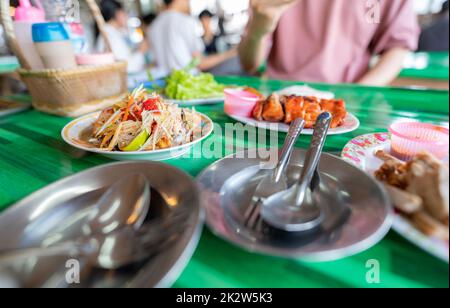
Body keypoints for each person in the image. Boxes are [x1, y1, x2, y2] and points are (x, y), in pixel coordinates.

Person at [239, 0, 421, 86]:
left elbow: (397, 47)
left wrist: (360, 91)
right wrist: (258, 30)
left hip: (350, 98)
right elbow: (250, 64)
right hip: (279, 95)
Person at [149, 0, 236, 75]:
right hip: (189, 84)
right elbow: (199, 63)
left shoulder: (154, 25)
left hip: (166, 86)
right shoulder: (184, 20)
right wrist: (231, 53)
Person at [96, 0, 148, 73]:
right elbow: (128, 68)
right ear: (118, 14)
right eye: (124, 13)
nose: (126, 16)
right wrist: (141, 52)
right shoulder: (111, 37)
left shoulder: (111, 33)